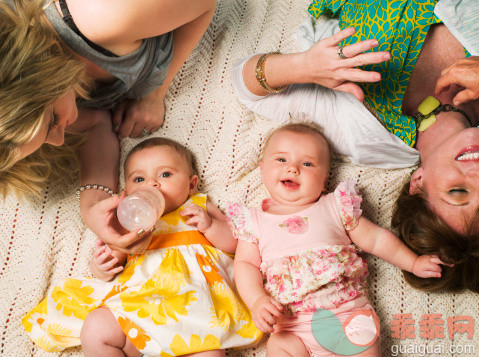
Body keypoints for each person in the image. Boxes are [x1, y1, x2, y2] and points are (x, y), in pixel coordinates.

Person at [231, 0, 479, 292]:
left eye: (458, 191)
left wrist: (302, 67)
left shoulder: (365, 134)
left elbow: (246, 86)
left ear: (418, 182)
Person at [0, 0, 216, 254]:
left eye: (53, 123)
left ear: (40, 76)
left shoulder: (105, 16)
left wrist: (155, 95)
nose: (60, 139)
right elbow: (92, 122)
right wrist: (93, 206)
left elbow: (204, 5)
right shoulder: (19, 121)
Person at [22, 137, 262, 356]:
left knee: (211, 353)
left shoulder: (198, 206)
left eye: (165, 175)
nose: (152, 185)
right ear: (125, 191)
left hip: (195, 317)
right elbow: (115, 258)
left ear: (192, 185)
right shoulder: (128, 223)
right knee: (96, 327)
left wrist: (209, 226)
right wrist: (102, 267)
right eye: (139, 179)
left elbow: (236, 243)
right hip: (140, 313)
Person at [227, 123, 448, 356]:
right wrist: (257, 301)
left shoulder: (335, 207)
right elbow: (245, 265)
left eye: (307, 163)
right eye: (281, 160)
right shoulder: (253, 222)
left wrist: (413, 262)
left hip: (347, 316)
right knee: (278, 347)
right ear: (262, 169)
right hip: (291, 327)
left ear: (324, 180)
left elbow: (375, 239)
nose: (292, 168)